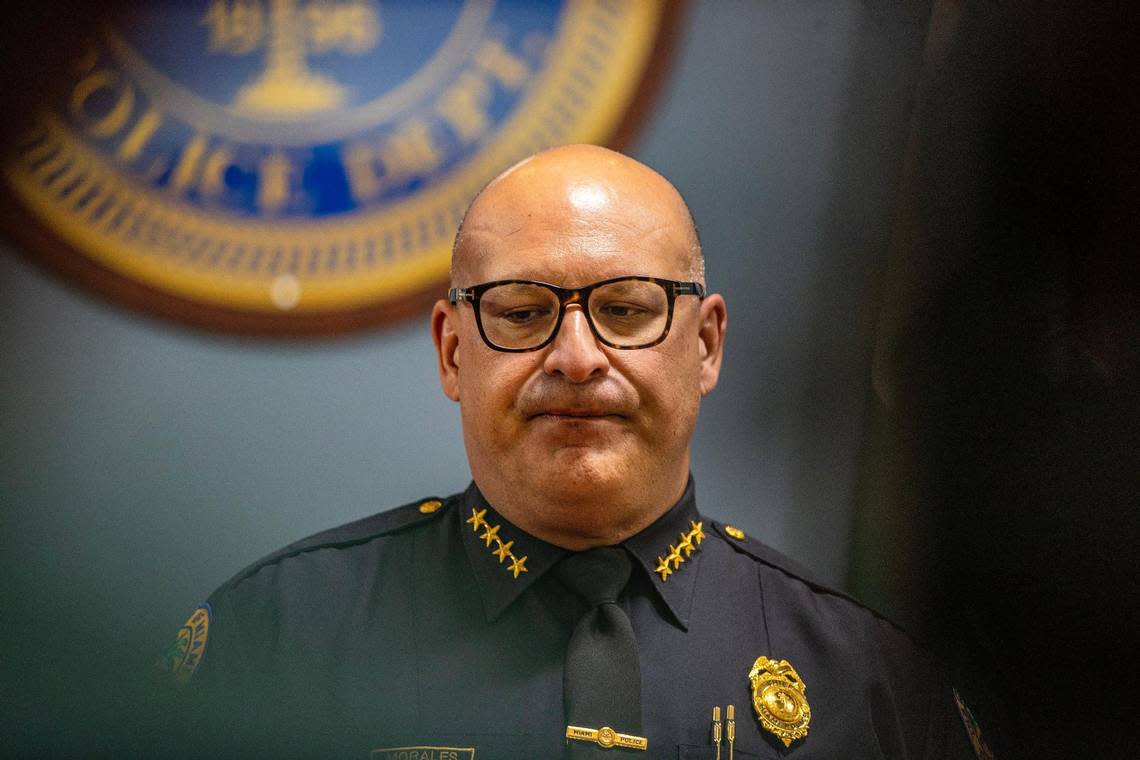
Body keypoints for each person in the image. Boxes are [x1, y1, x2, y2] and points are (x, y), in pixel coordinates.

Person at [159, 145, 990, 759]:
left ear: (705, 347)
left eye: (627, 310)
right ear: (453, 352)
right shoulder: (275, 641)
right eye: (522, 312)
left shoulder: (872, 683)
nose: (578, 358)